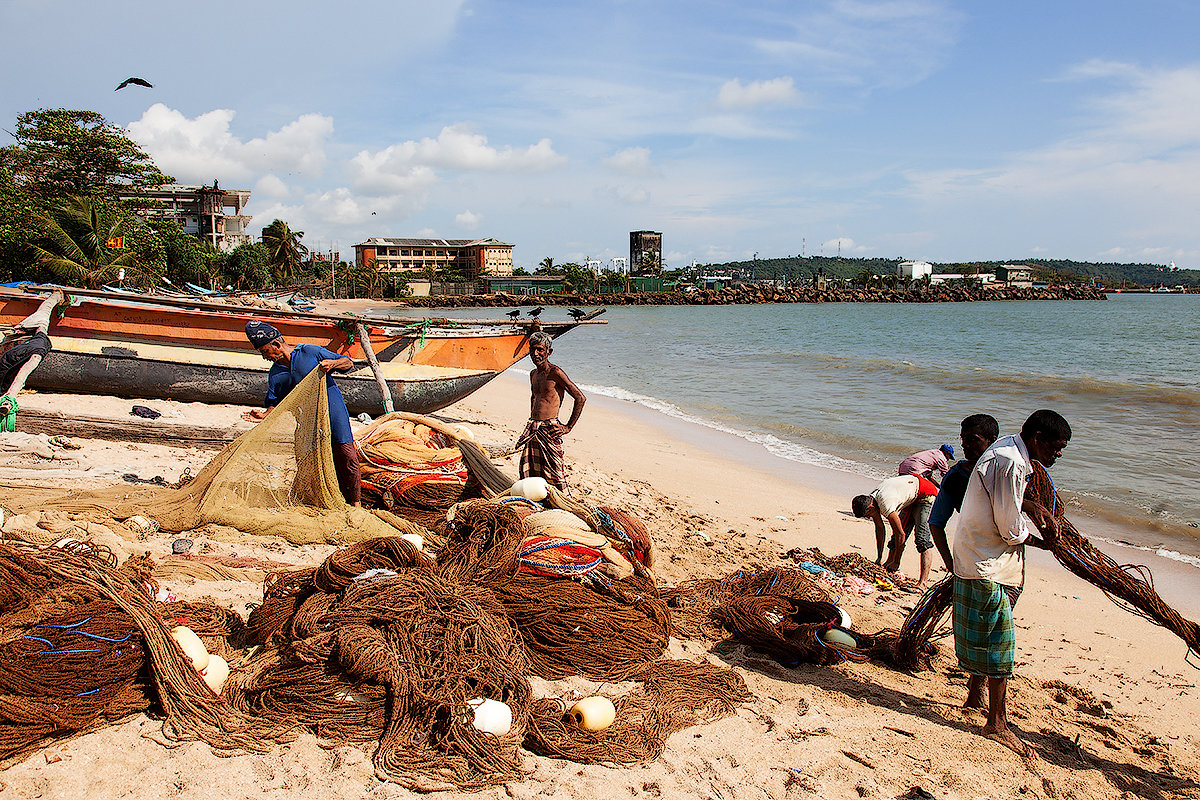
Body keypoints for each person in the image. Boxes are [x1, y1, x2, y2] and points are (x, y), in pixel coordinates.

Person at [951, 409, 1070, 755]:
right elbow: (1009, 529)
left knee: (986, 632)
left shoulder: (1008, 450)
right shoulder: (1012, 463)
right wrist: (1041, 542)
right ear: (1036, 439)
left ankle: (974, 695)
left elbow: (1003, 499)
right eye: (1057, 447)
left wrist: (1030, 503)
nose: (1058, 454)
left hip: (980, 555)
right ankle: (996, 724)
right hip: (986, 561)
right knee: (1000, 643)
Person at [239, 320, 362, 507]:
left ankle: (356, 503)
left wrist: (333, 363)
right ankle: (320, 498)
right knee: (308, 462)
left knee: (347, 457)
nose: (265, 357)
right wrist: (264, 415)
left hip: (333, 412)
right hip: (306, 420)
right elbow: (275, 403)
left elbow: (347, 363)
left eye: (265, 351)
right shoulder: (276, 373)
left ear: (277, 344)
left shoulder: (309, 352)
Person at [928, 415, 1000, 573]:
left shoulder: (1005, 472)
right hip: (973, 560)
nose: (964, 444)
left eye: (972, 439)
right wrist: (951, 564)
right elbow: (935, 523)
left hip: (1005, 562)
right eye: (963, 438)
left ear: (992, 440)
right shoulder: (956, 477)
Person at [515, 331, 585, 490]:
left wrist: (568, 427)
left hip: (550, 428)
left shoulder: (555, 372)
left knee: (555, 472)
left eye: (540, 349)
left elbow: (580, 398)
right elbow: (534, 398)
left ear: (549, 352)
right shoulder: (533, 374)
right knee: (530, 471)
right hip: (533, 428)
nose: (536, 354)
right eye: (533, 349)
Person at [851, 473, 939, 588]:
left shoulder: (885, 503)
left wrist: (897, 562)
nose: (868, 518)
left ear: (870, 508)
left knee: (921, 539)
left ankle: (922, 583)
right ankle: (889, 563)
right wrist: (879, 558)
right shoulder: (872, 500)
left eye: (866, 515)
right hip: (911, 494)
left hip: (925, 493)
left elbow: (901, 534)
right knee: (895, 539)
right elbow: (880, 528)